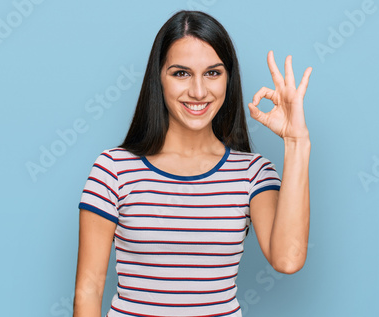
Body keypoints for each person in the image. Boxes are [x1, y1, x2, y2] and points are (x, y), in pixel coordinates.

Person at [73, 10, 312, 317]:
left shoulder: (253, 173)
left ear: (229, 78)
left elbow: (288, 259)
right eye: (181, 73)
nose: (198, 91)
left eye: (212, 73)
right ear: (158, 78)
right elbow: (89, 289)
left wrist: (296, 141)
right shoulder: (114, 170)